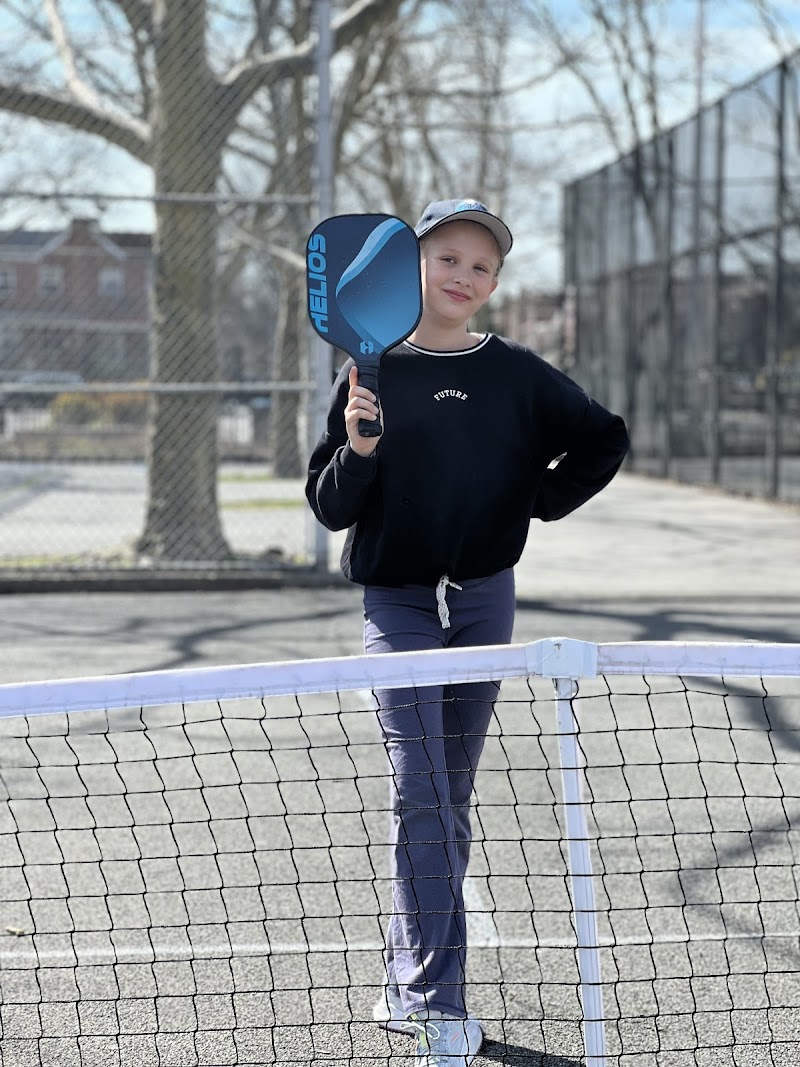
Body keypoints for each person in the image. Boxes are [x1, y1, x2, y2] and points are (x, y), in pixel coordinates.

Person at [305, 198, 630, 1066]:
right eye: (447, 257)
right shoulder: (368, 372)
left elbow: (604, 439)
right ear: (412, 266)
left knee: (448, 790)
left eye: (481, 266)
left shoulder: (518, 373)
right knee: (421, 788)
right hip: (398, 604)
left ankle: (405, 975)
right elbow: (329, 506)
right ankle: (432, 1001)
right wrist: (359, 451)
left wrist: (533, 500)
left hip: (485, 603)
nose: (463, 275)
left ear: (492, 284)